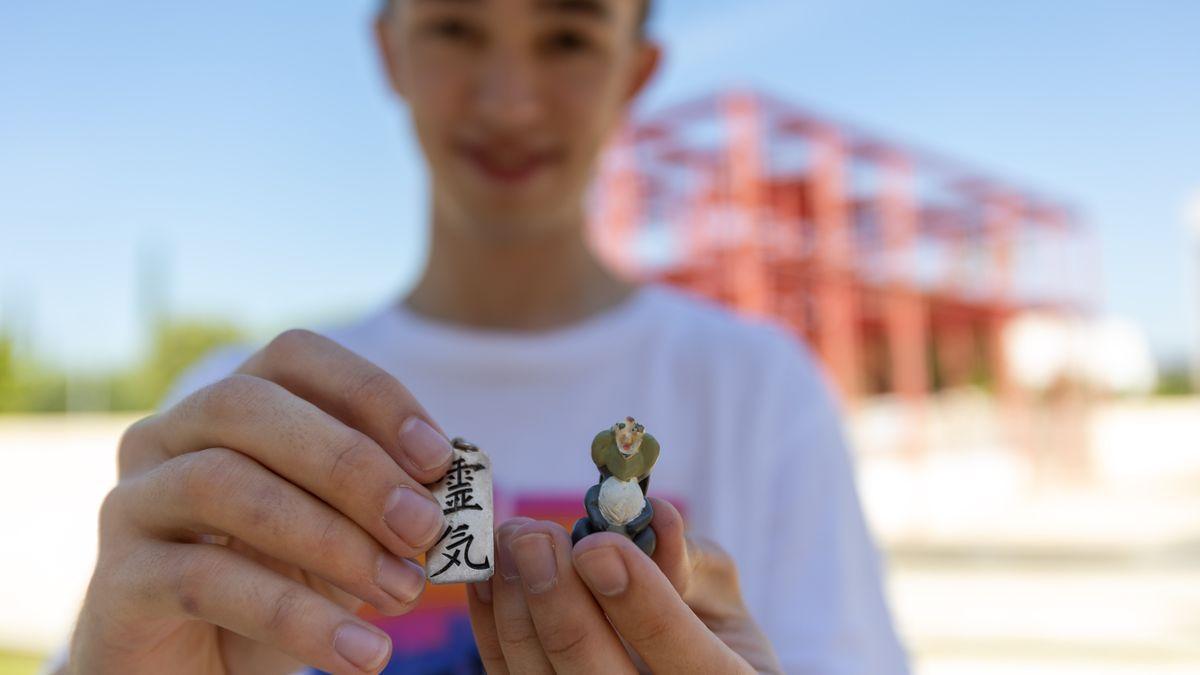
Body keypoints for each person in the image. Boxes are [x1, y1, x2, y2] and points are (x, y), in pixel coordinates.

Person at [59, 0, 908, 673]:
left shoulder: (761, 388)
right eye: (456, 26)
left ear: (634, 70)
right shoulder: (240, 407)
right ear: (390, 52)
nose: (509, 100)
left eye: (568, 34)